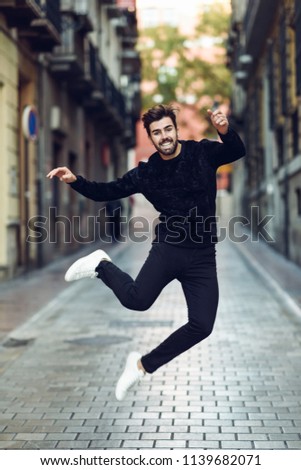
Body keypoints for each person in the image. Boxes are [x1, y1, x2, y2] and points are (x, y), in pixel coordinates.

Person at [47, 104, 246, 401]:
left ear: (175, 129)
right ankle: (101, 265)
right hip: (169, 248)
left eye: (168, 129)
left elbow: (236, 152)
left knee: (202, 325)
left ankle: (141, 366)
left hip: (203, 255)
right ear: (151, 138)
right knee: (137, 300)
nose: (164, 136)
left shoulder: (201, 153)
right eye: (157, 133)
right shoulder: (147, 173)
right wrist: (75, 181)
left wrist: (224, 130)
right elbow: (107, 190)